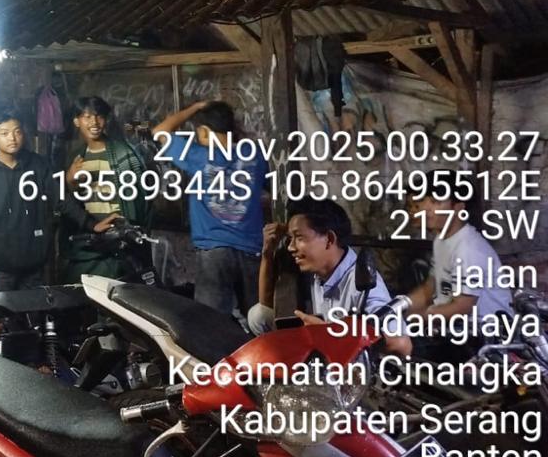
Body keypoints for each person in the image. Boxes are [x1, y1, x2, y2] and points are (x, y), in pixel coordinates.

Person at [154, 100, 269, 320]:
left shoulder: (196, 156)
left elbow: (160, 130)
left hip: (213, 251)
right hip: (252, 248)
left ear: (204, 131)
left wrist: (196, 107)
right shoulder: (254, 154)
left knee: (211, 322)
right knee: (259, 320)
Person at [248, 198, 392, 333]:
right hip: (324, 347)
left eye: (299, 237)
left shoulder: (365, 286)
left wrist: (326, 332)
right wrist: (267, 254)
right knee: (258, 315)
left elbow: (397, 341)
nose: (291, 247)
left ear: (329, 239)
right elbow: (265, 306)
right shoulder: (317, 270)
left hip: (343, 350)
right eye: (290, 238)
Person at [407, 171, 513, 347]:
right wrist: (396, 307)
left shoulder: (469, 248)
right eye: (425, 201)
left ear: (458, 208)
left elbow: (462, 307)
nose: (426, 209)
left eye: (436, 202)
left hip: (484, 338)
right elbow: (429, 288)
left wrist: (416, 317)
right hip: (455, 330)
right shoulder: (442, 240)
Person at [0, 108, 60, 293]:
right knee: (1, 312)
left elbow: (60, 198)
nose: (12, 138)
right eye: (4, 133)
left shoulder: (38, 165)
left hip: (34, 267)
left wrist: (90, 223)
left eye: (17, 132)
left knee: (36, 311)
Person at [60, 96, 148, 282]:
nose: (94, 122)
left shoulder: (123, 153)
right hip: (89, 238)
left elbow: (142, 198)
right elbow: (69, 203)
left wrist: (126, 225)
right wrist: (69, 181)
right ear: (76, 121)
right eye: (87, 117)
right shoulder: (75, 157)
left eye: (99, 116)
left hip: (118, 239)